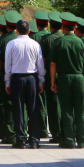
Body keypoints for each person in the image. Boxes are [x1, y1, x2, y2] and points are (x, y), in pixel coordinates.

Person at [50, 13, 84, 149]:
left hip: (64, 78)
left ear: (63, 28)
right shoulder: (82, 43)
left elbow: (52, 64)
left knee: (66, 110)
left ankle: (69, 140)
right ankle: (82, 141)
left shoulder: (58, 42)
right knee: (81, 110)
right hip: (79, 78)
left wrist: (53, 81)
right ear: (75, 27)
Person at [4, 19, 44, 149]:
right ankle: (34, 140)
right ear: (29, 31)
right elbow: (40, 64)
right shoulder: (35, 44)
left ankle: (20, 139)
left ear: (16, 30)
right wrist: (41, 80)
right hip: (32, 78)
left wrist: (7, 81)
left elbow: (7, 65)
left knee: (18, 109)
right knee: (33, 109)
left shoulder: (11, 44)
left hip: (17, 79)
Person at [0, 11, 21, 145]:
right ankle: (21, 132)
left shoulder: (2, 40)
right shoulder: (20, 39)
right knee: (21, 106)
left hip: (4, 76)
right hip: (20, 76)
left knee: (5, 106)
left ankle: (7, 133)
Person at [40, 11, 63, 144]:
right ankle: (66, 131)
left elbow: (43, 62)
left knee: (53, 106)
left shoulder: (46, 39)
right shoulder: (65, 37)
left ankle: (55, 133)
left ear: (50, 25)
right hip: (65, 74)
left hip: (51, 75)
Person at [31, 10, 50, 140]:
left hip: (37, 75)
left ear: (37, 24)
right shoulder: (52, 37)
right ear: (48, 24)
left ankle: (42, 129)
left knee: (39, 103)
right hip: (52, 74)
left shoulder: (34, 38)